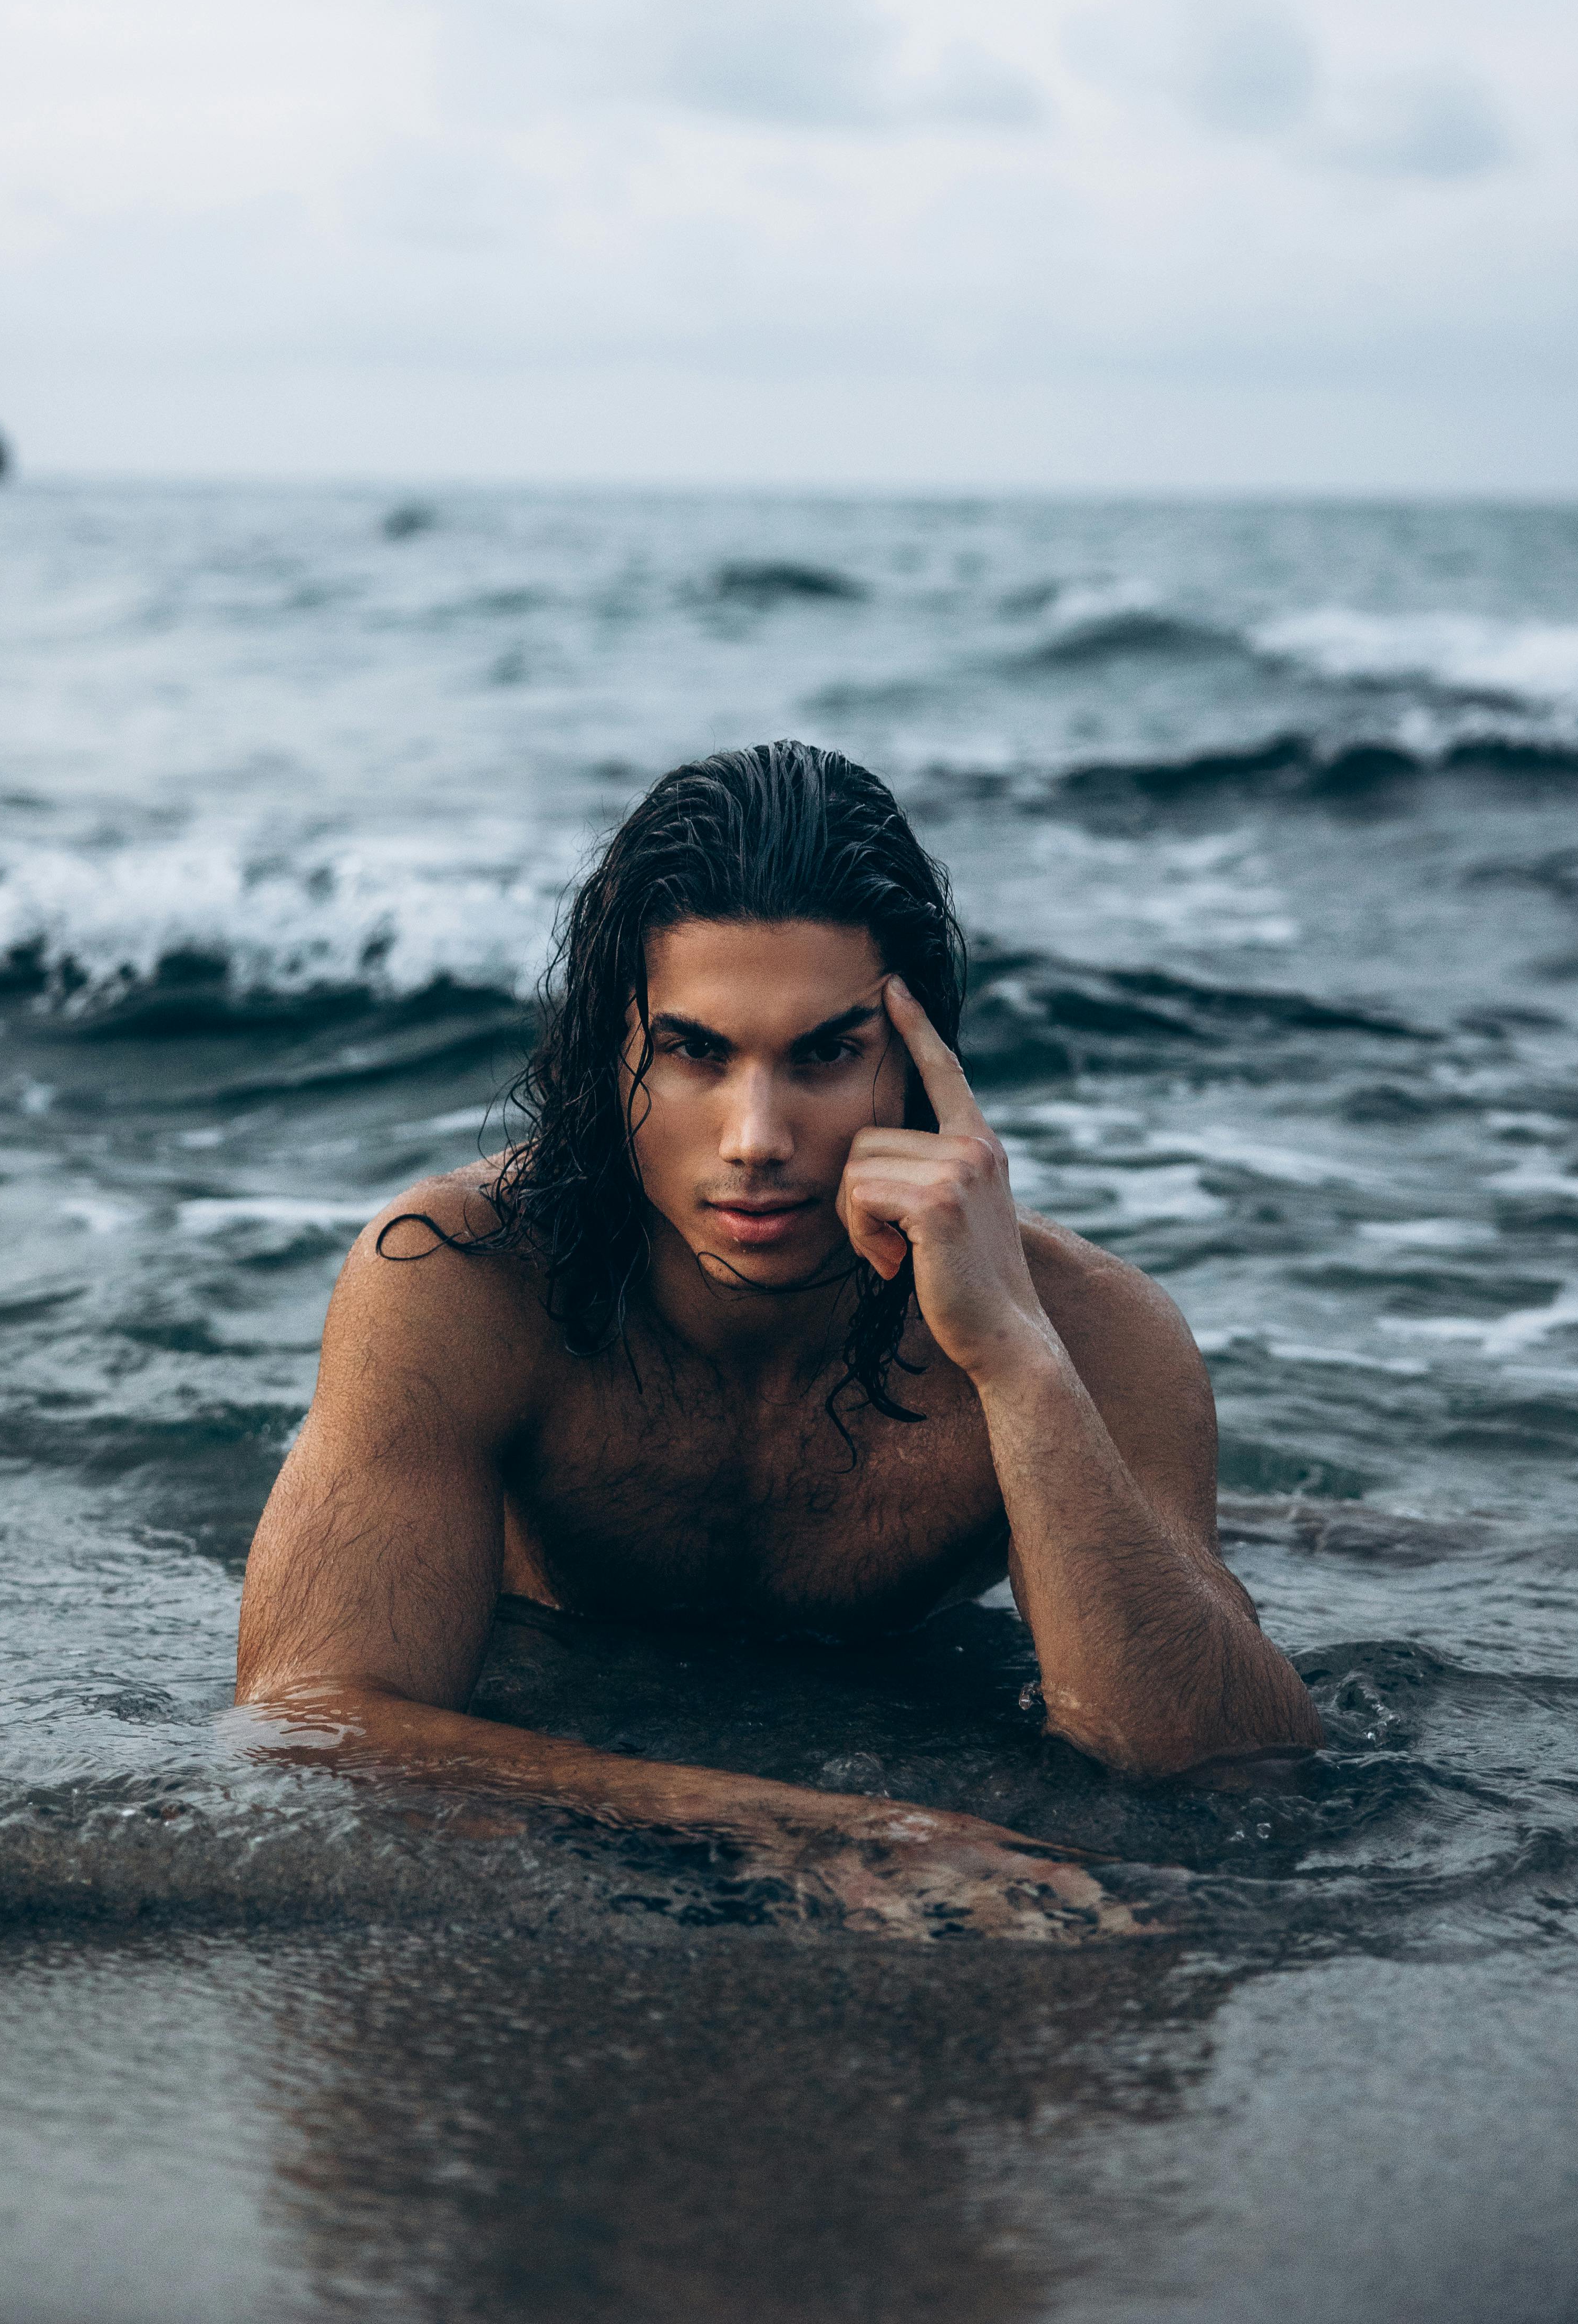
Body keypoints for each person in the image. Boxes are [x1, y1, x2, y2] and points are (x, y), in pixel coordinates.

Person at [236, 742, 1323, 1931]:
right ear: (615, 1061)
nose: (757, 1136)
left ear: (917, 1068)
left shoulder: (1090, 1331)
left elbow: (1225, 1768)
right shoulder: (468, 1283)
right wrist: (789, 1821)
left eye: (825, 1054)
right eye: (698, 1053)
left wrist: (1014, 1360)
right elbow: (307, 1727)